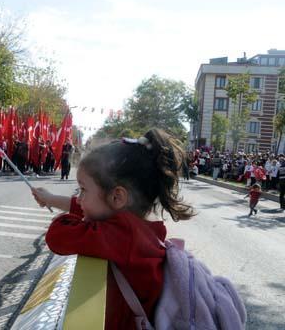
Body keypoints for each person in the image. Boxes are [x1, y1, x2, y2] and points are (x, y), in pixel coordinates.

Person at [31, 129, 195, 329]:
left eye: (83, 190)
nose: (79, 199)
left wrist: (65, 208)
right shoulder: (143, 230)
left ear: (117, 197)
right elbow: (92, 206)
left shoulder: (124, 236)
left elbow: (58, 236)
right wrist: (51, 199)